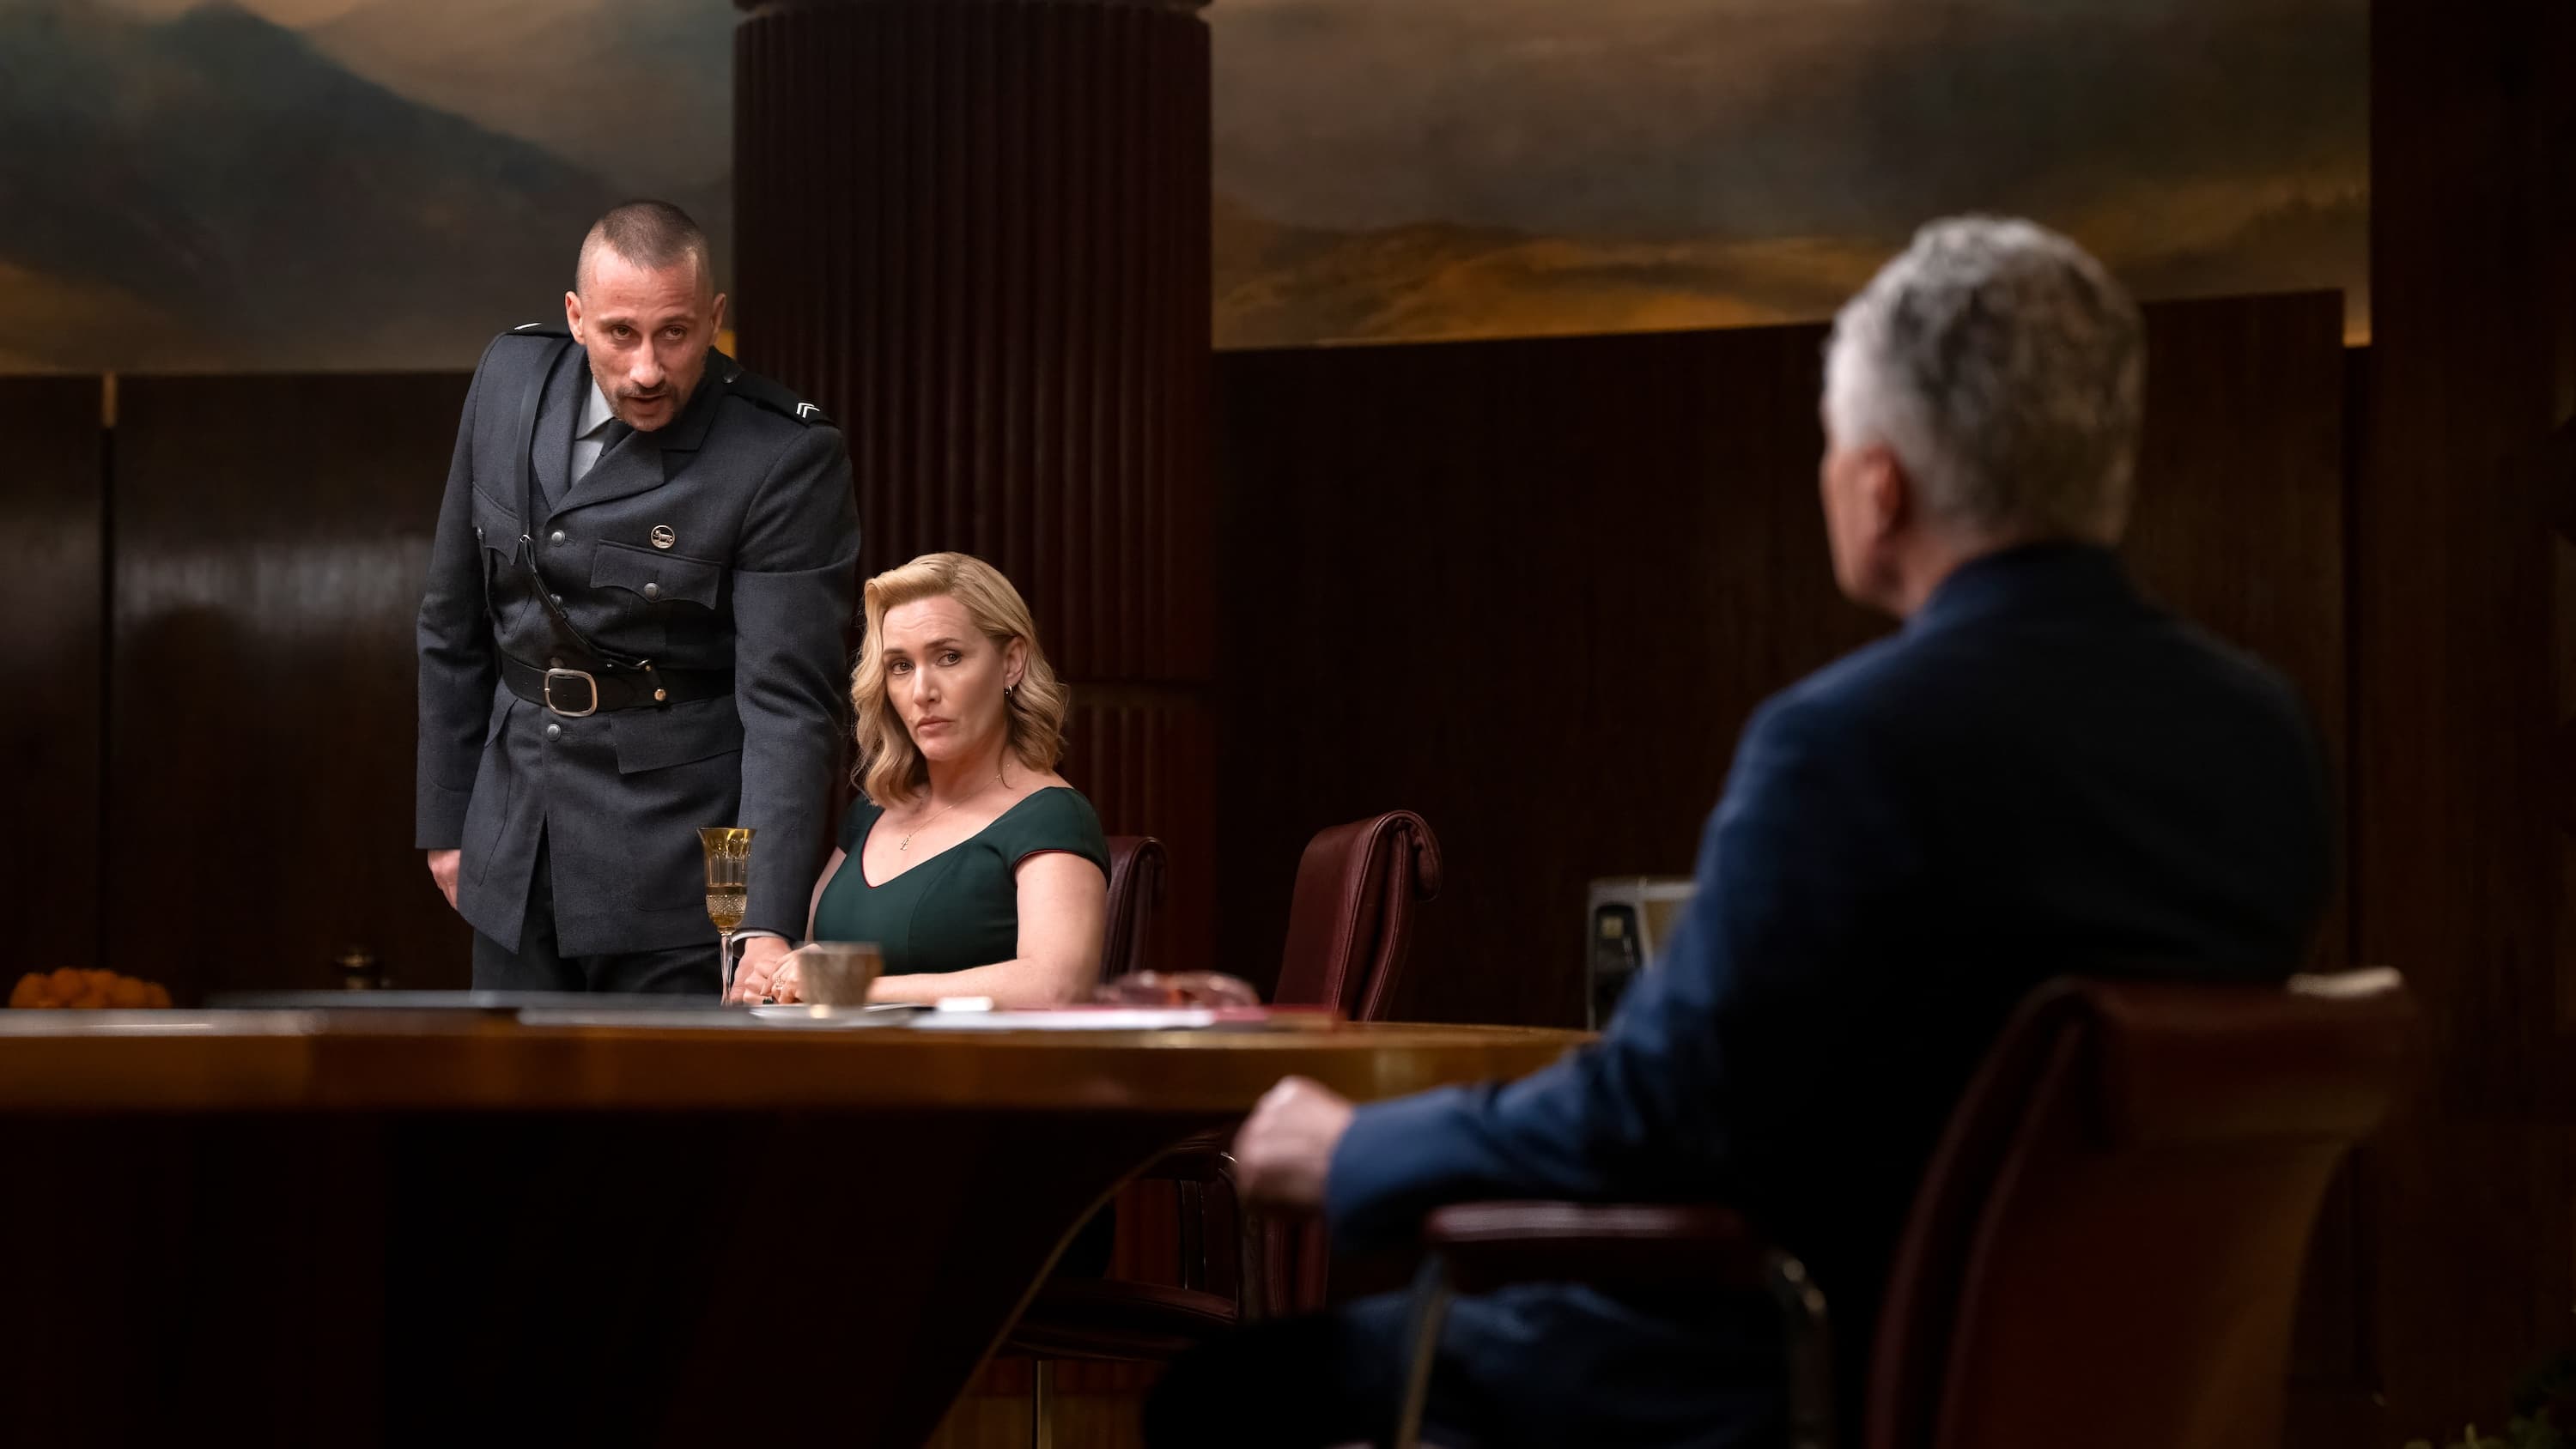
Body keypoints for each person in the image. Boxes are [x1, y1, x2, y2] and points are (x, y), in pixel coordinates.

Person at [1145, 217, 2335, 1448]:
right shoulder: (2264, 739)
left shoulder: (1852, 744)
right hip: (2112, 1388)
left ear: (1879, 484)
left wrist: (1356, 1150)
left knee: (1229, 1394)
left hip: (1789, 1375)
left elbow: (1660, 1111)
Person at [416, 200, 861, 995]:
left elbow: (790, 711)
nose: (648, 369)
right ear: (576, 317)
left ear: (715, 319)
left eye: (676, 334)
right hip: (511, 848)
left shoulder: (783, 454)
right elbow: (452, 620)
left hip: (679, 873)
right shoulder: (509, 378)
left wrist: (761, 920)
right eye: (621, 333)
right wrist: (448, 826)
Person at [750, 551, 1110, 1009]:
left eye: (949, 657)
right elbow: (809, 961)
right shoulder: (872, 811)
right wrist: (774, 979)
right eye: (901, 666)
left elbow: (1056, 986)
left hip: (967, 1058)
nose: (922, 692)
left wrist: (852, 987)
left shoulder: (1052, 816)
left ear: (1011, 662)